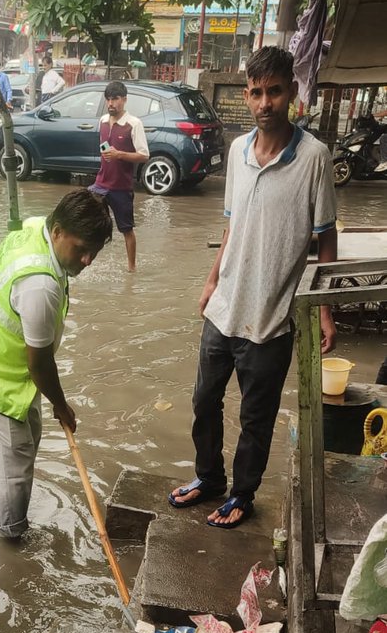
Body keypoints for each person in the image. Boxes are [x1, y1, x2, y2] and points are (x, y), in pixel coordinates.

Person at [170, 46, 337, 529]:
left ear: (293, 93)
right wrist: (209, 280)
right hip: (224, 306)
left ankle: (242, 494)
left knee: (255, 417)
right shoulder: (239, 153)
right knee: (204, 400)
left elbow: (326, 237)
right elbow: (231, 227)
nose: (266, 103)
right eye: (257, 93)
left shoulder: (315, 158)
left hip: (271, 316)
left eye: (275, 92)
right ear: (246, 96)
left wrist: (324, 310)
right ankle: (209, 478)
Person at [0, 189, 113, 539]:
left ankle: (4, 503)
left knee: (28, 439)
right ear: (57, 232)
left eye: (93, 253)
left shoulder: (37, 228)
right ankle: (10, 533)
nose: (87, 260)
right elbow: (40, 363)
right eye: (81, 249)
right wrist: (61, 405)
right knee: (16, 461)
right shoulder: (40, 286)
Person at [88, 80, 149, 272]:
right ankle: (87, 260)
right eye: (108, 99)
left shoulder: (134, 124)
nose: (111, 103)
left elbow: (144, 155)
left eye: (115, 99)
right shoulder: (103, 121)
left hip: (121, 188)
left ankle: (132, 268)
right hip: (100, 183)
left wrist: (119, 154)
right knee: (87, 217)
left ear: (124, 100)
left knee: (127, 230)